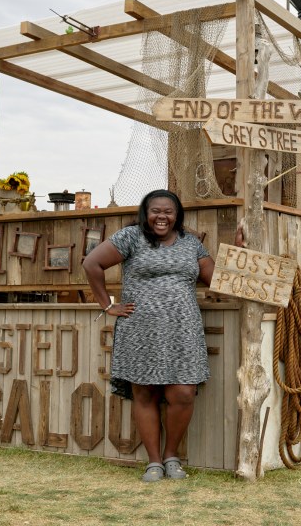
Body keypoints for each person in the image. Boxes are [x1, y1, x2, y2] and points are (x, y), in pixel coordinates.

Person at [82, 189, 216, 482]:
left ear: (177, 215)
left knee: (183, 392)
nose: (162, 217)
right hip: (140, 328)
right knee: (145, 392)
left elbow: (216, 279)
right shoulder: (131, 238)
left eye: (168, 211)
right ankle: (153, 462)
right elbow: (91, 264)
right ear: (146, 213)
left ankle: (171, 456)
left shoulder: (192, 244)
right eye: (156, 211)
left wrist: (239, 253)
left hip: (183, 329)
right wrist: (107, 305)